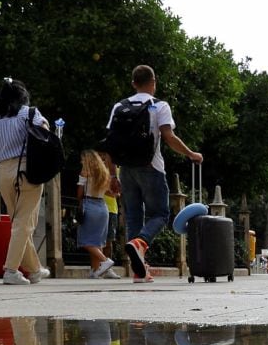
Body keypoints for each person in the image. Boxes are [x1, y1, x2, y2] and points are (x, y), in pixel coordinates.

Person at [112, 65, 203, 283]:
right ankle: (140, 242)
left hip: (126, 169)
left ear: (134, 83)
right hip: (151, 166)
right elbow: (169, 137)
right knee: (160, 214)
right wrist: (191, 153)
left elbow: (110, 143)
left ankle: (139, 271)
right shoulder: (159, 106)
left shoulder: (119, 106)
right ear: (154, 82)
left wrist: (112, 175)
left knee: (133, 215)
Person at [0, 79, 52, 285]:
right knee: (24, 224)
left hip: (3, 172)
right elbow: (45, 132)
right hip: (27, 170)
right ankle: (10, 270)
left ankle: (35, 270)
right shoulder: (29, 113)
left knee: (19, 223)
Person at [76, 150, 120, 279]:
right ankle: (96, 271)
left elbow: (79, 193)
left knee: (85, 240)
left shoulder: (85, 172)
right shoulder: (105, 174)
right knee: (97, 241)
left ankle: (105, 261)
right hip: (103, 207)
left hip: (89, 205)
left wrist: (80, 199)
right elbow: (111, 193)